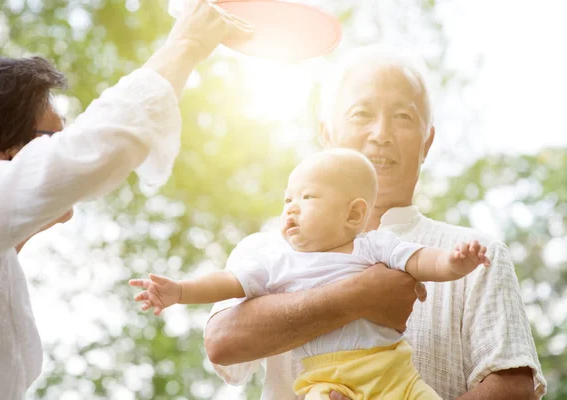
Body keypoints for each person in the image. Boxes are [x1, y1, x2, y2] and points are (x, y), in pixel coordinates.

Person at [203, 46, 546, 400]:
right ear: (327, 135)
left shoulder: (476, 256)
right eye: (361, 114)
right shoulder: (266, 249)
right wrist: (357, 297)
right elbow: (223, 342)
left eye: (403, 117)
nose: (381, 133)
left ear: (427, 142)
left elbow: (514, 388)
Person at [0, 1, 253, 398]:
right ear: (0, 152)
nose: (60, 151)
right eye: (50, 140)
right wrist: (185, 43)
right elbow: (96, 148)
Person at [130, 148, 491, 399]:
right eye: (288, 199)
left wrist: (454, 264)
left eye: (308, 198)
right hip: (327, 379)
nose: (291, 208)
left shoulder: (373, 246)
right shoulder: (279, 260)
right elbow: (228, 282)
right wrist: (179, 291)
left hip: (396, 375)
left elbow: (420, 260)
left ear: (352, 215)